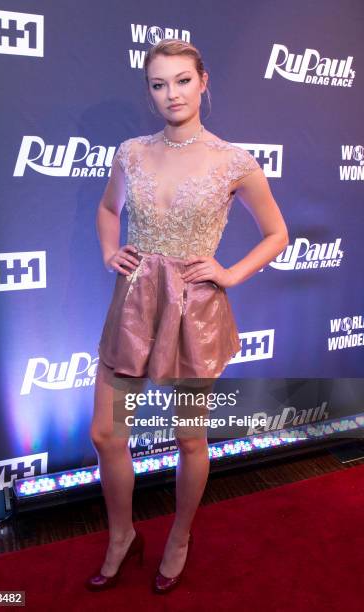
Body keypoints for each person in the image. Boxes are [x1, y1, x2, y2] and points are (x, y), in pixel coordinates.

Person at [86, 39, 289, 594]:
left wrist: (230, 273)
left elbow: (278, 234)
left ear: (204, 82)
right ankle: (122, 535)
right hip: (134, 302)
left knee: (189, 438)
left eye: (181, 80)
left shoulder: (234, 161)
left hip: (194, 308)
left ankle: (179, 535)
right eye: (158, 84)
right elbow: (109, 209)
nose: (170, 93)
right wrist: (110, 253)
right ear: (149, 92)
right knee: (106, 433)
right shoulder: (129, 151)